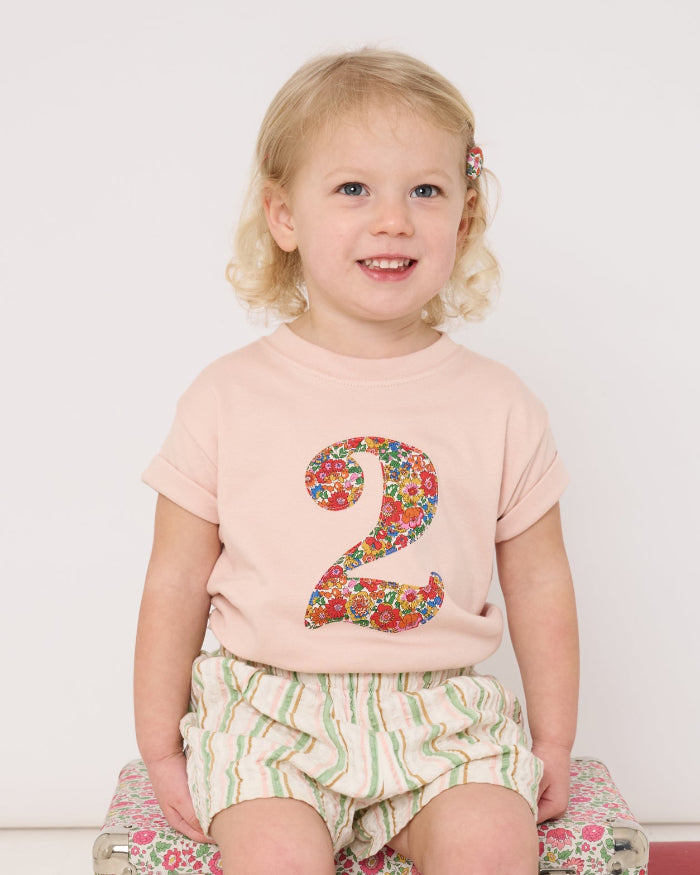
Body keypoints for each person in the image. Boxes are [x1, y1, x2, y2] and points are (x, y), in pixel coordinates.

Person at [134, 48, 579, 875]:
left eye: (425, 190)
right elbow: (173, 579)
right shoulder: (226, 396)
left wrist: (552, 738)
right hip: (270, 712)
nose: (393, 220)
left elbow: (540, 580)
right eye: (352, 189)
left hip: (441, 713)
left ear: (466, 215)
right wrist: (161, 745)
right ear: (284, 217)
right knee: (274, 858)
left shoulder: (499, 403)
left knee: (493, 846)